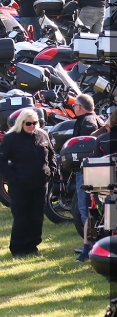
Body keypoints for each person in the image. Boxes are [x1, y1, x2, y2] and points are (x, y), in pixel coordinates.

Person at [0, 108, 58, 258]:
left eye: (35, 123)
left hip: (40, 184)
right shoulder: (11, 138)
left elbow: (52, 155)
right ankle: (17, 248)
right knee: (21, 217)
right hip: (20, 185)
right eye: (28, 123)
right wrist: (12, 176)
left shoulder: (43, 135)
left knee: (37, 217)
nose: (32, 126)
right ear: (21, 123)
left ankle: (33, 246)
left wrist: (51, 171)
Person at [71, 95, 106, 262]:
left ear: (79, 107)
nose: (73, 109)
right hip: (100, 170)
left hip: (87, 172)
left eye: (74, 106)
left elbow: (86, 147)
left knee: (86, 210)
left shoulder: (86, 123)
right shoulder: (98, 119)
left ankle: (91, 247)